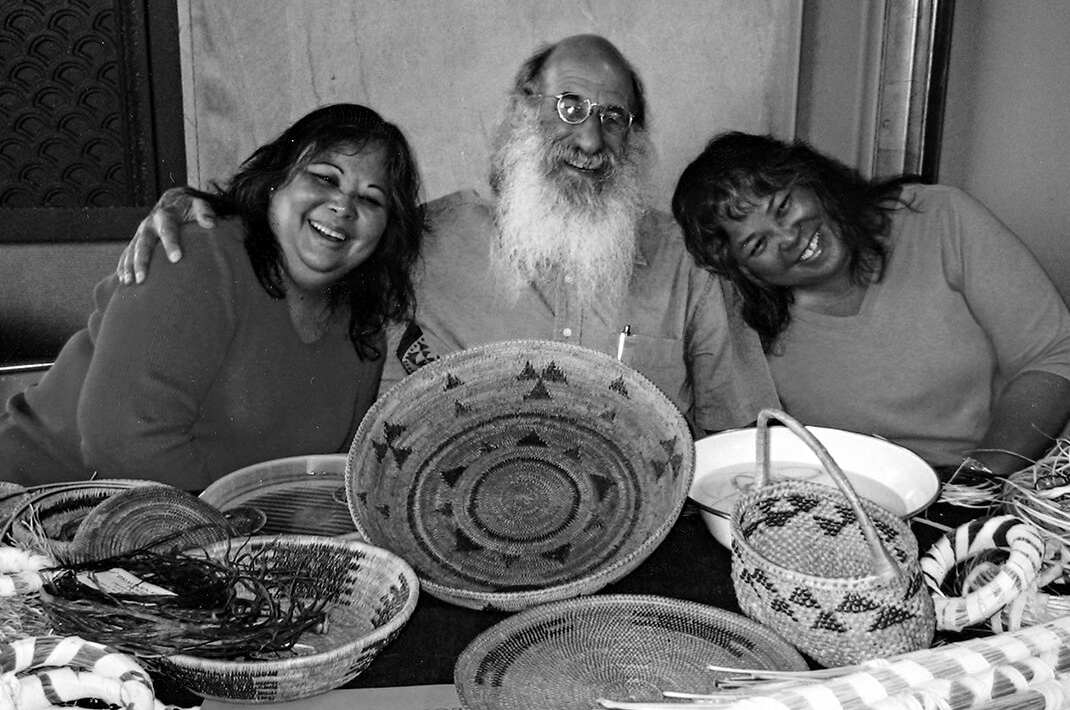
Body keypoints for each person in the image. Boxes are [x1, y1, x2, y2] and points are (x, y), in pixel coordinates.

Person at [116, 34, 779, 438]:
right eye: (568, 107)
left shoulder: (687, 264)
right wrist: (208, 213)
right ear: (522, 114)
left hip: (640, 550)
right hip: (443, 542)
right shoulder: (419, 239)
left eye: (614, 117)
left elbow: (742, 436)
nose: (589, 137)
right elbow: (304, 249)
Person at [0, 103, 425, 490]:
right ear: (274, 183)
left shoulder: (363, 330)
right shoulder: (198, 253)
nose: (344, 206)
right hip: (35, 510)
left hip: (199, 544)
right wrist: (239, 536)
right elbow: (121, 439)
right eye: (325, 178)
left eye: (372, 199)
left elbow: (327, 473)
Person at [671, 130, 1070, 478]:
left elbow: (1054, 355)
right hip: (885, 512)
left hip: (1034, 480)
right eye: (757, 243)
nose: (788, 237)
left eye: (783, 206)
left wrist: (977, 483)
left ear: (812, 181)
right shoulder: (747, 329)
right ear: (744, 270)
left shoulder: (939, 219)